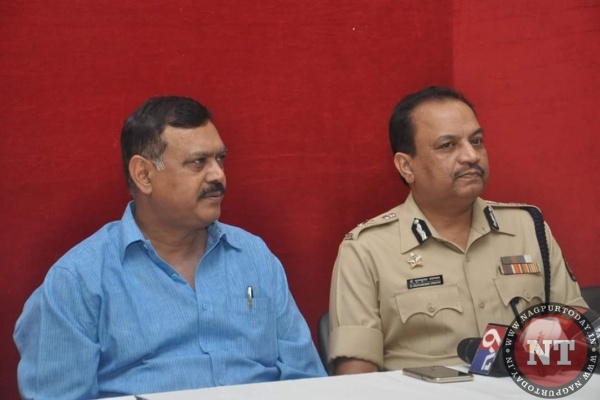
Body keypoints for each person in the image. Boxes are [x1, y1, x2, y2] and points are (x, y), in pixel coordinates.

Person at [14, 96, 326, 399]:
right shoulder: (77, 282)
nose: (218, 175)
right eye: (198, 162)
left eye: (220, 159)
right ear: (144, 175)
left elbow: (308, 384)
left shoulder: (254, 257)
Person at [328, 86, 588, 375]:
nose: (471, 155)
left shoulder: (528, 228)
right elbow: (355, 379)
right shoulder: (366, 250)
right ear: (406, 166)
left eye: (476, 141)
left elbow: (579, 333)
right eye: (448, 145)